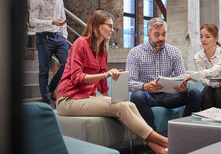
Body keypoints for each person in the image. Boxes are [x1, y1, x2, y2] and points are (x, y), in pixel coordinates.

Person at [56, 10, 168, 154]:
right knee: (119, 107)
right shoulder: (80, 43)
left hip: (87, 96)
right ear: (97, 26)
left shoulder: (103, 48)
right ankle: (164, 141)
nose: (112, 30)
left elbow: (103, 86)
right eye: (109, 26)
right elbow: (77, 77)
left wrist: (110, 100)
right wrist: (105, 75)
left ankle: (157, 149)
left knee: (128, 104)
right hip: (68, 99)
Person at [127, 17, 202, 130]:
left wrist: (183, 86)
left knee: (195, 93)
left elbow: (181, 76)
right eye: (156, 35)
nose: (161, 38)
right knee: (137, 96)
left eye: (164, 34)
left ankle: (184, 132)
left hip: (169, 95)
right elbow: (129, 82)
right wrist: (144, 86)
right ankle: (153, 138)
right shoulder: (135, 53)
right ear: (148, 34)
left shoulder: (174, 52)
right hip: (147, 95)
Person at [29, 0, 69, 104]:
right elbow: (32, 21)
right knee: (44, 71)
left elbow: (63, 19)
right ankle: (46, 103)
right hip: (43, 38)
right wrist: (51, 22)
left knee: (67, 65)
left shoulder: (60, 0)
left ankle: (51, 89)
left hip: (58, 37)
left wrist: (64, 37)